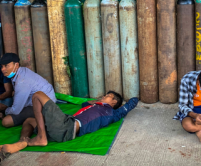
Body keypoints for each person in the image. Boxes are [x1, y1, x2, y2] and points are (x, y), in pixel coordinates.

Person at [0, 91, 138, 157]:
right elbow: (85, 104)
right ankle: (23, 142)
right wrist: (96, 101)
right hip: (63, 129)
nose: (103, 96)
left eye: (107, 95)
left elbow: (129, 105)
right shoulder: (94, 106)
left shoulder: (111, 113)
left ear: (114, 102)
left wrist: (136, 97)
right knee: (28, 121)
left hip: (67, 126)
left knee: (38, 95)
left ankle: (41, 138)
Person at [0, 53, 56, 127]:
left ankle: (37, 119)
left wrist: (6, 111)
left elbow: (16, 110)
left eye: (6, 66)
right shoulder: (21, 72)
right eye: (2, 66)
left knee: (6, 121)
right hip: (41, 100)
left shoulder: (22, 80)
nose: (3, 69)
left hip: (45, 106)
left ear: (16, 65)